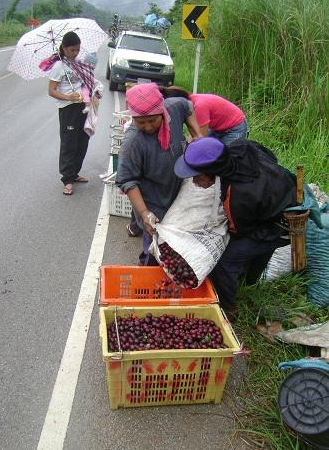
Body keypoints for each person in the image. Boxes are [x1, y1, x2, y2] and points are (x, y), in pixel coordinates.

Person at [174, 136, 297, 314]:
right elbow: (272, 157)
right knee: (252, 252)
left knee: (227, 260)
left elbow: (239, 230)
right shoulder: (242, 147)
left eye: (197, 176)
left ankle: (227, 308)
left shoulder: (239, 197)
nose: (194, 181)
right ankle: (250, 281)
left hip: (282, 224)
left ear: (213, 170)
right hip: (285, 196)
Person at [116, 82, 203, 265]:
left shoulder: (173, 108)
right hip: (153, 203)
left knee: (174, 247)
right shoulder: (133, 142)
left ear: (162, 111)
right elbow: (127, 180)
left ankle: (147, 261)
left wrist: (197, 135)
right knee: (156, 247)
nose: (147, 127)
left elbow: (187, 106)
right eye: (141, 122)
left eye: (152, 120)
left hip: (178, 193)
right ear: (133, 117)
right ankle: (147, 268)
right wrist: (144, 213)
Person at [47, 31, 96, 196]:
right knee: (69, 143)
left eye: (77, 50)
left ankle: (75, 173)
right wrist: (68, 96)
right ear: (64, 48)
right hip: (67, 108)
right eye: (72, 50)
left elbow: (87, 81)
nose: (75, 53)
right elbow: (51, 91)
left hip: (83, 107)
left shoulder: (78, 64)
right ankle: (67, 179)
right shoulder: (58, 67)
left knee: (82, 141)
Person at [159, 86, 248, 145]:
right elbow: (194, 131)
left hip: (235, 127)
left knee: (227, 156)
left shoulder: (199, 107)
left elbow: (200, 137)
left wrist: (184, 149)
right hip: (217, 127)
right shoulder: (191, 102)